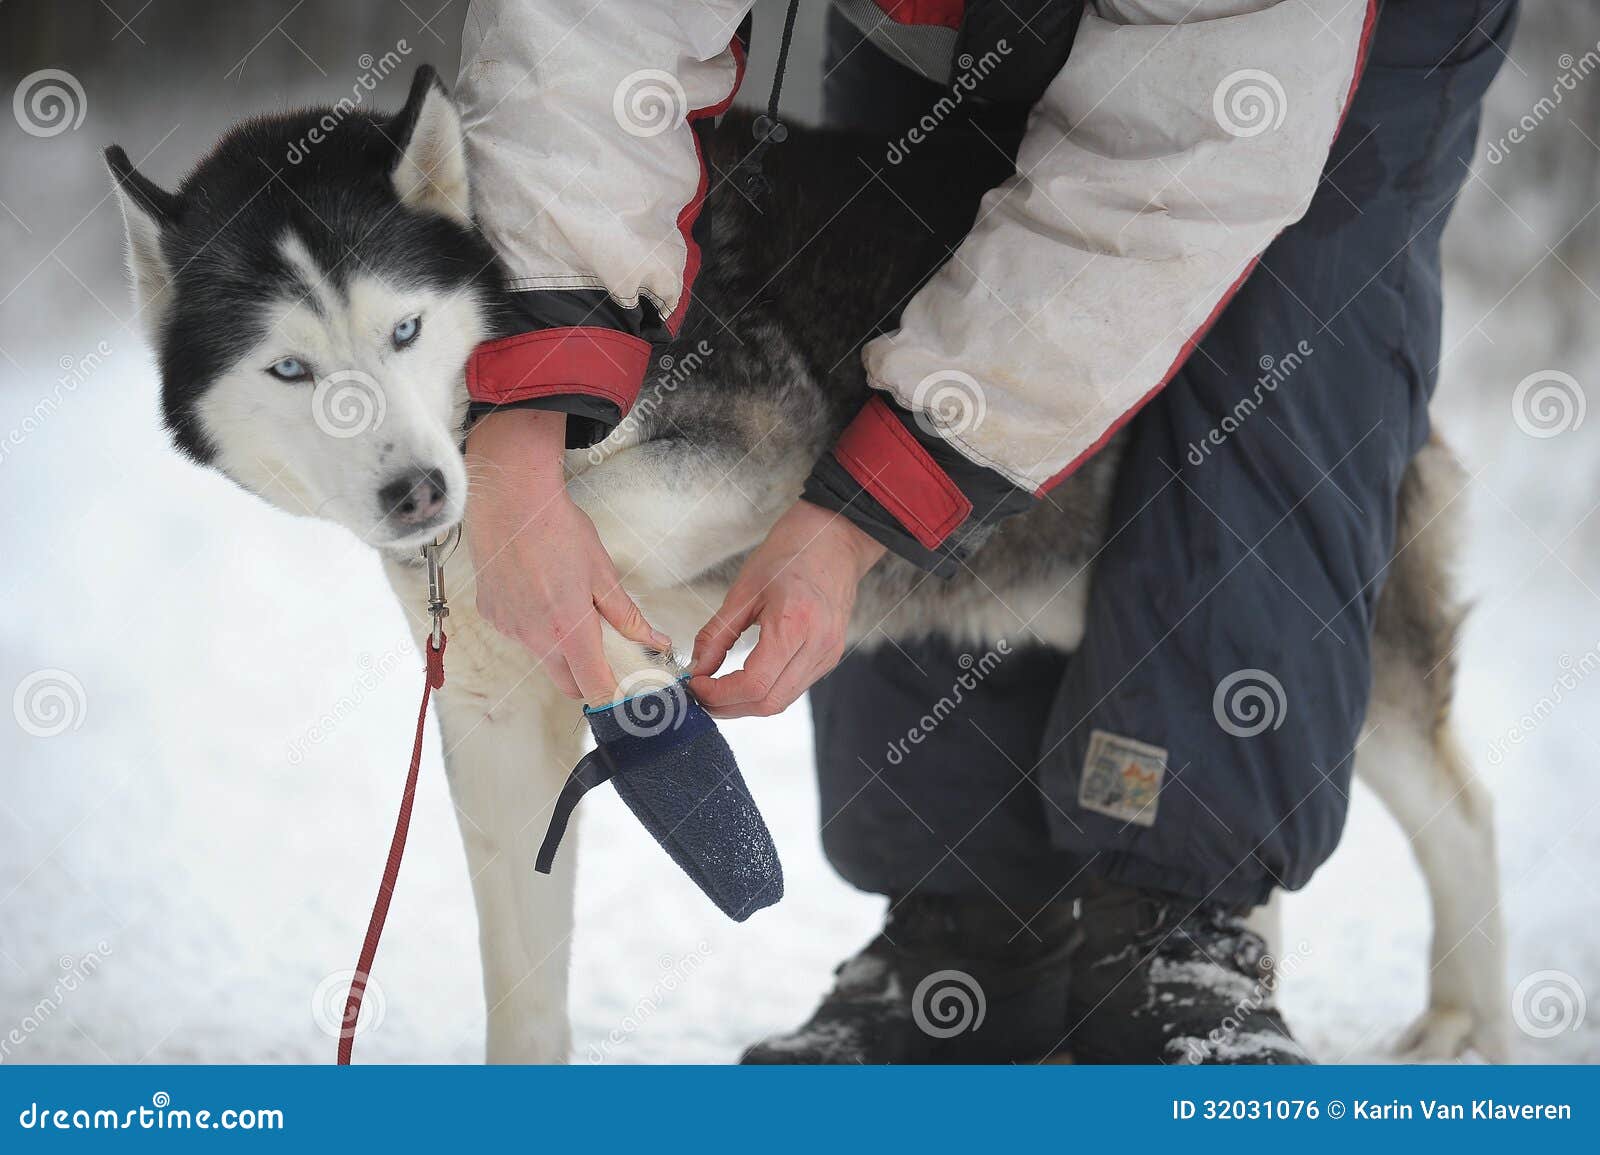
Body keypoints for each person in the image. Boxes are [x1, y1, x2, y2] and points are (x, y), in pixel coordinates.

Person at [454, 0, 1516, 1063]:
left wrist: (864, 507)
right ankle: (965, 934)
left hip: (1280, 42)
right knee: (882, 264)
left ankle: (1182, 927)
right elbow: (582, 37)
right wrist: (528, 405)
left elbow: (1157, 193)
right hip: (939, 22)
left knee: (1269, 377)